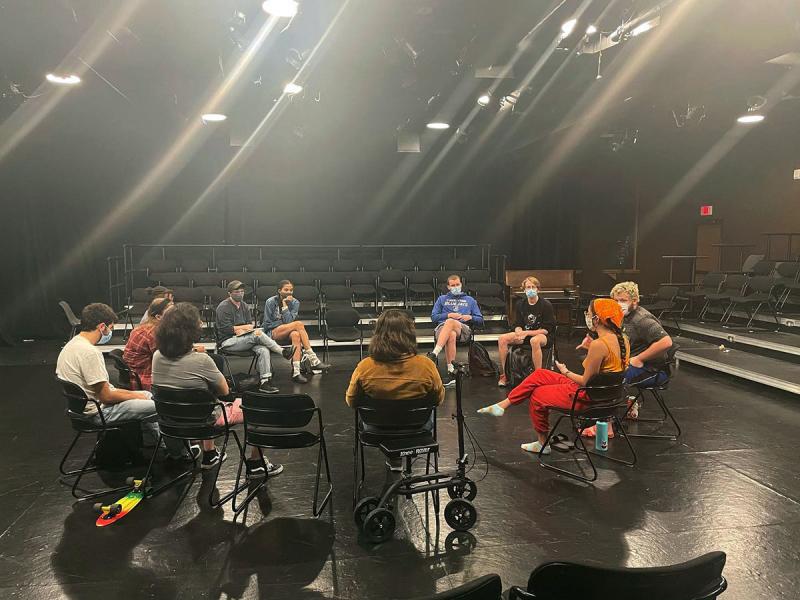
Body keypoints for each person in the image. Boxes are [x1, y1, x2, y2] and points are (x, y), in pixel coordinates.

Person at [477, 298, 629, 454]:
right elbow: (604, 370)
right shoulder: (622, 339)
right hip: (606, 397)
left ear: (596, 319)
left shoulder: (600, 345)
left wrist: (565, 372)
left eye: (589, 314)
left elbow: (585, 381)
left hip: (588, 399)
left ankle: (542, 443)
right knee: (540, 374)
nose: (587, 317)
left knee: (537, 394)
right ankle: (503, 404)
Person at [152, 303, 283, 477]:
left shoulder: (157, 356)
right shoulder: (202, 360)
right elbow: (225, 393)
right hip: (204, 420)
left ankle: (211, 455)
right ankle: (257, 464)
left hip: (170, 419)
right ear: (189, 330)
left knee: (203, 402)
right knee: (260, 409)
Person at [56, 302, 194, 461]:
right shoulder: (89, 353)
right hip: (97, 413)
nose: (110, 332)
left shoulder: (72, 345)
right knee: (167, 407)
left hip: (84, 409)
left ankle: (165, 446)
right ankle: (181, 454)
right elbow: (106, 397)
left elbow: (105, 390)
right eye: (111, 327)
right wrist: (134, 397)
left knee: (147, 395)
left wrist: (137, 395)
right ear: (102, 327)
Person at [346, 309, 445, 471]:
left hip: (376, 430)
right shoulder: (426, 366)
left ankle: (394, 463)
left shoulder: (365, 367)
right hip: (417, 429)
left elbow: (352, 401)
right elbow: (438, 399)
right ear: (409, 333)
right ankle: (401, 462)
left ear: (378, 334)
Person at [608, 281, 673, 418]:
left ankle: (607, 421)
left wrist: (639, 358)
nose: (619, 304)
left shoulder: (641, 319)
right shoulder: (622, 317)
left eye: (623, 300)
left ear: (635, 301)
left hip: (652, 369)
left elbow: (666, 342)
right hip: (630, 363)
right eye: (615, 300)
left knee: (612, 378)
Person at [216, 280, 291, 394]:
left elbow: (249, 325)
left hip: (244, 338)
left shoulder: (245, 306)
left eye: (242, 291)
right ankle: (282, 352)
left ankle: (264, 382)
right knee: (258, 334)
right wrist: (243, 328)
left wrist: (243, 329)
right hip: (227, 341)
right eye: (237, 291)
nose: (240, 293)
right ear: (229, 293)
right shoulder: (223, 307)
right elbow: (225, 329)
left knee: (263, 349)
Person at [261, 279, 330, 383]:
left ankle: (296, 372)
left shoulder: (295, 302)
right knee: (298, 324)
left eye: (291, 290)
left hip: (287, 332)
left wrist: (285, 305)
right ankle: (313, 359)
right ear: (279, 290)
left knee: (296, 334)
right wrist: (284, 324)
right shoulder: (270, 302)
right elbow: (267, 324)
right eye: (286, 289)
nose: (289, 292)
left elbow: (288, 321)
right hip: (272, 333)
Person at [496, 276, 556, 387]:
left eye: (533, 287)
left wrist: (526, 333)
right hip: (525, 334)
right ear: (524, 290)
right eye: (528, 287)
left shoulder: (546, 305)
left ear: (538, 289)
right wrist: (518, 331)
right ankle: (505, 374)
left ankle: (538, 376)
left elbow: (546, 330)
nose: (531, 289)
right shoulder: (520, 304)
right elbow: (517, 324)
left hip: (542, 336)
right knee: (502, 339)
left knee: (534, 340)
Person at [427, 274, 484, 387]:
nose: (456, 287)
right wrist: (449, 314)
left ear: (461, 285)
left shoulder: (470, 300)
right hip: (442, 329)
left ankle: (435, 353)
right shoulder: (442, 299)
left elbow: (480, 320)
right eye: (453, 285)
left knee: (450, 322)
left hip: (463, 329)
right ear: (448, 287)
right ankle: (451, 370)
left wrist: (470, 317)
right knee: (451, 334)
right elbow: (433, 317)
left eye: (457, 284)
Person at [123, 297, 173, 390]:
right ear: (158, 317)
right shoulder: (154, 333)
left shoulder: (143, 327)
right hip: (143, 379)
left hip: (135, 374)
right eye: (171, 312)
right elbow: (167, 357)